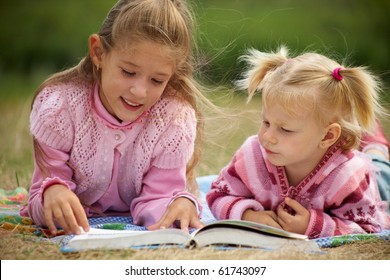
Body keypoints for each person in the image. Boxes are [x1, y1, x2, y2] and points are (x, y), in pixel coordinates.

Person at [20, 0, 210, 235]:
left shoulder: (173, 118)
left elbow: (160, 197)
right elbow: (39, 199)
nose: (139, 91)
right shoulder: (60, 108)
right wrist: (53, 193)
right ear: (98, 52)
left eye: (157, 80)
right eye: (128, 72)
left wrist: (177, 206)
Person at [206, 46, 390, 239]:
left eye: (285, 130)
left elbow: (368, 228)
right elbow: (218, 194)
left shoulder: (348, 176)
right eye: (266, 122)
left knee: (378, 162)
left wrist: (313, 225)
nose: (268, 137)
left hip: (380, 184)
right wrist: (248, 215)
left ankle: (375, 144)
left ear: (327, 136)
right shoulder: (253, 155)